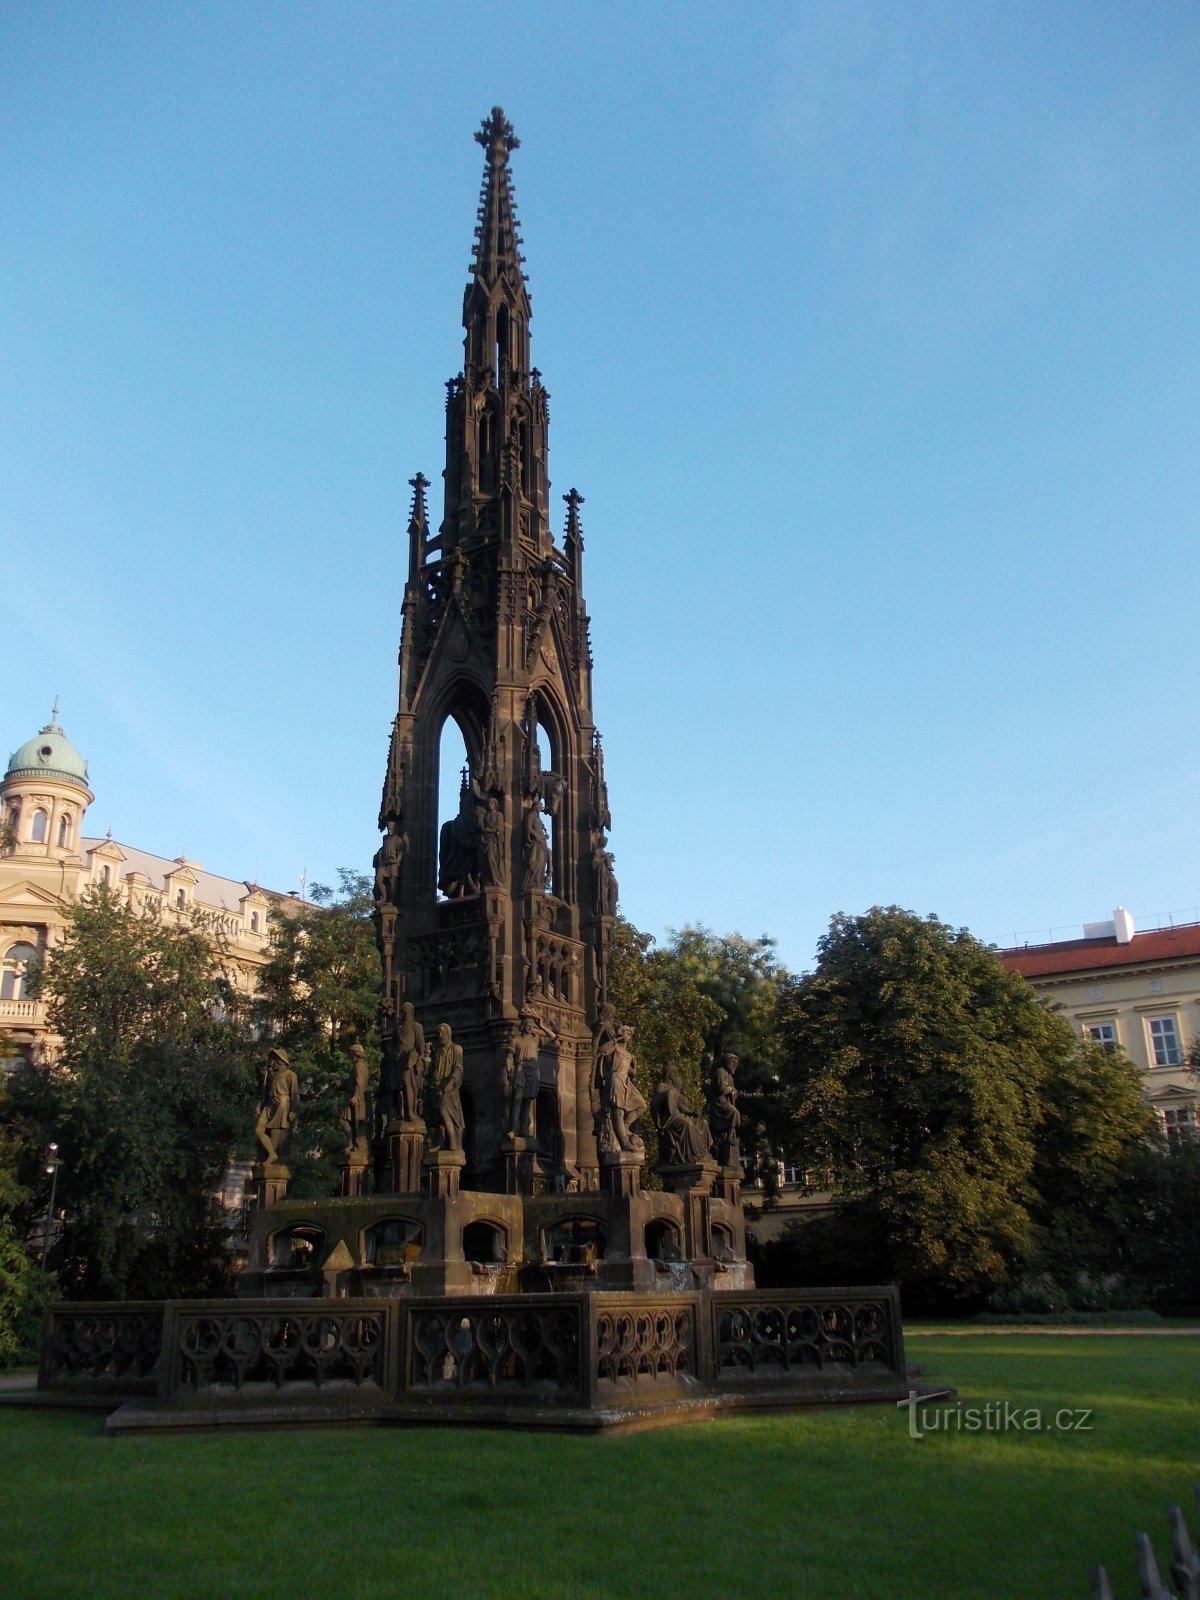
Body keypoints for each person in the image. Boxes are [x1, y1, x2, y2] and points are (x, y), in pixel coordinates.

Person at [505, 1009, 557, 1139]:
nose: (530, 1027)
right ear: (523, 1026)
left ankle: (524, 1130)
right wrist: (509, 1070)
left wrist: (541, 1025)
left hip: (533, 1071)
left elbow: (553, 1037)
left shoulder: (536, 1040)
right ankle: (513, 1129)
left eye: (532, 1026)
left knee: (528, 1101)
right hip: (521, 1069)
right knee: (517, 1099)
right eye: (528, 1025)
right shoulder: (516, 1040)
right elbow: (509, 1056)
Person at [597, 1024, 647, 1154]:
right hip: (616, 1079)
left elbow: (628, 1070)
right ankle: (624, 1142)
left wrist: (634, 1070)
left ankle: (625, 1126)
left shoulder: (629, 1055)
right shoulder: (615, 1048)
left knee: (641, 1105)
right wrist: (616, 1040)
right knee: (618, 1111)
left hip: (626, 1082)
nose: (628, 1036)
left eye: (630, 1034)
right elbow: (602, 1050)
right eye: (626, 1033)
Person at [652, 1063, 713, 1166]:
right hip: (669, 1118)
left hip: (678, 1115)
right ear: (668, 1073)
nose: (675, 1074)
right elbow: (655, 1105)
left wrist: (691, 1112)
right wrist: (658, 1123)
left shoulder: (674, 1088)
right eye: (673, 1072)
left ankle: (703, 1153)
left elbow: (681, 1107)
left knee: (703, 1123)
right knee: (687, 1124)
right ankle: (692, 1155)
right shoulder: (662, 1086)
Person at [255, 1047, 300, 1165]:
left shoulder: (290, 1075)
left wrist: (293, 1110)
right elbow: (265, 1091)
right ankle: (271, 1153)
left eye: (275, 1059)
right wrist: (260, 1104)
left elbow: (295, 1094)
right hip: (269, 1103)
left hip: (282, 1103)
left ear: (281, 1060)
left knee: (276, 1130)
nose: (273, 1061)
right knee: (258, 1129)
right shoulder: (270, 1074)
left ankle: (272, 1156)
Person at [430, 1022, 465, 1152]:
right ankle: (442, 1142)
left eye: (442, 1032)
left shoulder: (456, 1049)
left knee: (445, 1113)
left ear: (448, 1034)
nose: (440, 1035)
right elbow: (432, 1070)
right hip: (436, 1087)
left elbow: (458, 1068)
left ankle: (453, 1143)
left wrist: (451, 1083)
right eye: (438, 1032)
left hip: (449, 1087)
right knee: (438, 1118)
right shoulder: (437, 1051)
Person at [339, 1042, 371, 1153]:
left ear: (355, 1054)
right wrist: (341, 1085)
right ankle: (351, 1143)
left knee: (345, 1121)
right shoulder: (358, 1065)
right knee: (349, 1122)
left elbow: (360, 1082)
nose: (350, 1057)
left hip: (357, 1100)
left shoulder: (359, 1065)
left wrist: (356, 1096)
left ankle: (352, 1143)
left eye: (351, 1054)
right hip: (354, 1098)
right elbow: (351, 1082)